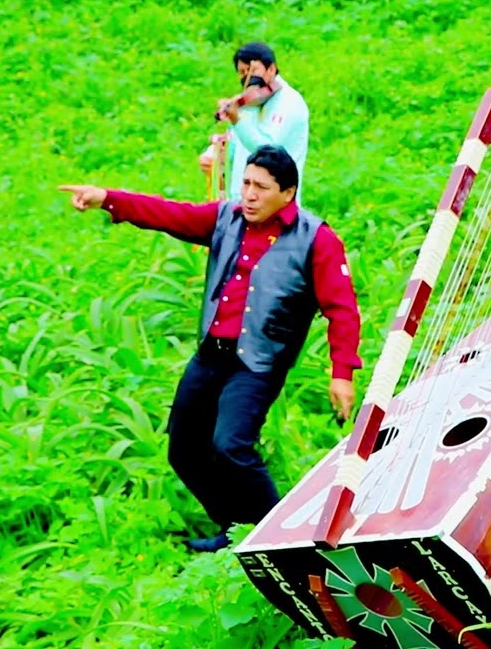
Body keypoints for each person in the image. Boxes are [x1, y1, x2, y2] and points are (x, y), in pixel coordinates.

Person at [60, 145, 361, 552]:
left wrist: (341, 371)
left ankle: (281, 542)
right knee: (183, 450)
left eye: (262, 187)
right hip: (211, 356)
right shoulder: (226, 219)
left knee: (231, 445)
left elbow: (342, 308)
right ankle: (235, 528)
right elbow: (167, 213)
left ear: (288, 193)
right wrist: (107, 198)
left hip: (258, 363)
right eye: (246, 183)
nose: (250, 195)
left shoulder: (315, 240)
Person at [201, 42, 311, 206]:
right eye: (242, 73)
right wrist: (214, 155)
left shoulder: (290, 102)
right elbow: (234, 143)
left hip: (275, 204)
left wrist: (237, 120)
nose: (249, 78)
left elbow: (268, 150)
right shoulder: (248, 103)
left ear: (271, 69)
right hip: (243, 202)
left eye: (253, 71)